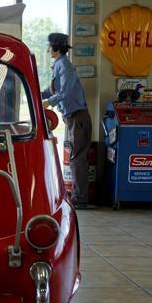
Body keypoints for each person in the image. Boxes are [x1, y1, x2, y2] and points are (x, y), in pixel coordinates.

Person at [41, 32, 94, 209]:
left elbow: (65, 92)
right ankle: (78, 196)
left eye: (50, 46)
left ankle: (80, 198)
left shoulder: (64, 65)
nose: (48, 49)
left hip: (78, 118)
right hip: (72, 118)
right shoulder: (57, 66)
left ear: (56, 47)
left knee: (77, 158)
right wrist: (37, 95)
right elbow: (52, 90)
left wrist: (48, 102)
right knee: (74, 156)